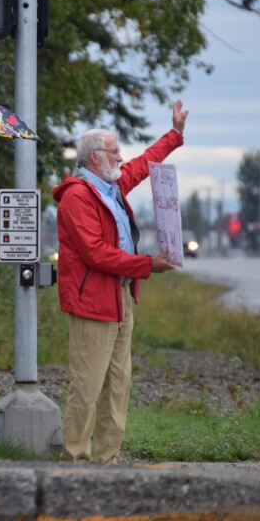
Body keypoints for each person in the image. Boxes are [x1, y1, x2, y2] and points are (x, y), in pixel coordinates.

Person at [53, 100, 189, 464]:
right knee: (87, 385)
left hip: (121, 297)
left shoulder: (110, 187)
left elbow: (145, 164)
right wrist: (147, 265)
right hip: (92, 301)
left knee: (118, 385)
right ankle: (75, 460)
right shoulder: (77, 197)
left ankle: (106, 460)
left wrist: (174, 135)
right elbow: (96, 253)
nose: (120, 157)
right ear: (95, 156)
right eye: (114, 152)